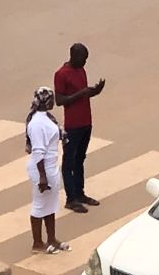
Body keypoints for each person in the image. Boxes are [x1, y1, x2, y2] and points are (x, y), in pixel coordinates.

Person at [52, 43, 104, 214]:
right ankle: (70, 198)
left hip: (86, 122)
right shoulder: (61, 74)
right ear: (73, 56)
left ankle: (80, 194)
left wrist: (95, 91)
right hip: (72, 125)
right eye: (83, 59)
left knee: (80, 159)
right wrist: (80, 94)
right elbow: (59, 100)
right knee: (69, 162)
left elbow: (84, 93)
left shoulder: (81, 70)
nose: (85, 62)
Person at [25, 91, 69, 255]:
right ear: (45, 101)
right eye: (51, 99)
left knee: (50, 205)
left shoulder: (46, 118)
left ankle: (51, 238)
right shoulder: (37, 123)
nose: (54, 101)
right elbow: (37, 152)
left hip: (51, 166)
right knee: (39, 205)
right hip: (42, 169)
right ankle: (37, 243)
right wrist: (42, 177)